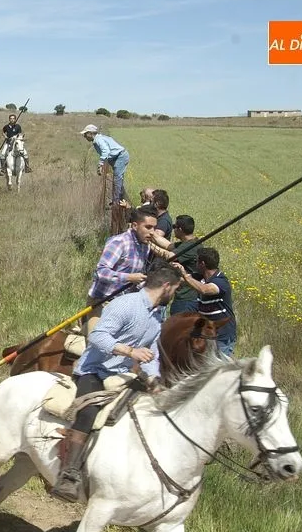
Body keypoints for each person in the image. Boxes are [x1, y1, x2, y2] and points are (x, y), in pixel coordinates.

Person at [49, 262, 181, 502]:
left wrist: (153, 380)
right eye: (175, 290)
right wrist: (129, 352)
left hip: (121, 376)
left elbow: (151, 353)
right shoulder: (126, 304)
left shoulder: (155, 317)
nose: (174, 295)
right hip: (95, 372)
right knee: (88, 412)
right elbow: (98, 336)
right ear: (166, 286)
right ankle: (68, 476)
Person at [84, 205, 158, 333]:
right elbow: (101, 272)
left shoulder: (145, 246)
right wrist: (129, 277)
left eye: (154, 228)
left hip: (123, 304)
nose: (152, 232)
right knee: (97, 343)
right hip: (102, 301)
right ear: (135, 226)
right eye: (148, 227)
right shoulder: (119, 242)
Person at [173, 247, 236, 356]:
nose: (195, 264)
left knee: (219, 369)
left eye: (196, 261)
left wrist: (185, 275)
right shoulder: (200, 278)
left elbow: (204, 289)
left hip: (222, 336)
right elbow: (181, 280)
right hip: (207, 335)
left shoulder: (221, 281)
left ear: (202, 264)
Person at [150, 215, 203, 315]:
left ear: (180, 229)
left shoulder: (190, 246)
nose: (173, 229)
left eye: (175, 227)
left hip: (187, 298)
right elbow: (167, 245)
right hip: (183, 296)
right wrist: (150, 233)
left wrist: (147, 244)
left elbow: (169, 255)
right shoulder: (187, 243)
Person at [81, 124, 129, 205]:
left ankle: (116, 202)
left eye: (85, 134)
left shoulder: (98, 140)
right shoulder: (98, 139)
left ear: (90, 133)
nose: (84, 136)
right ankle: (119, 198)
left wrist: (100, 164)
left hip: (120, 156)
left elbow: (106, 151)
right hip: (118, 156)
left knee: (117, 178)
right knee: (118, 178)